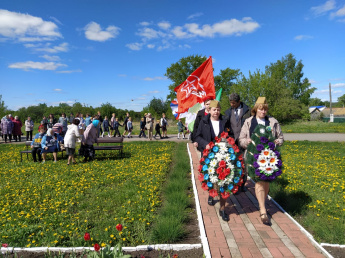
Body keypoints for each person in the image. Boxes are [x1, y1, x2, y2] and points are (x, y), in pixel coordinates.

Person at [239, 97, 284, 224]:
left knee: (266, 182)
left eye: (265, 109)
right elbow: (241, 138)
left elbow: (281, 137)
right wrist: (246, 142)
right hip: (254, 157)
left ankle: (262, 203)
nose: (263, 112)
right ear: (255, 109)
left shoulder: (273, 122)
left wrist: (277, 141)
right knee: (259, 182)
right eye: (261, 109)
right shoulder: (248, 122)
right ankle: (263, 210)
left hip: (269, 157)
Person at [194, 100, 231, 221]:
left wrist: (228, 142)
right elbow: (197, 136)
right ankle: (211, 193)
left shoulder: (225, 121)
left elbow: (230, 136)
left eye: (218, 110)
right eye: (214, 110)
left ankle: (222, 208)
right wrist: (205, 144)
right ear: (209, 110)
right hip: (209, 154)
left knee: (223, 180)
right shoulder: (204, 121)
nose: (216, 112)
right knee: (211, 177)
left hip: (223, 154)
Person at [225, 93, 251, 192]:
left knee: (244, 163)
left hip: (243, 141)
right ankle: (234, 183)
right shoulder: (228, 112)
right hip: (232, 141)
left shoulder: (247, 111)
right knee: (233, 163)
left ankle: (242, 184)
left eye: (234, 103)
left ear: (239, 101)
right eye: (230, 103)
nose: (232, 105)